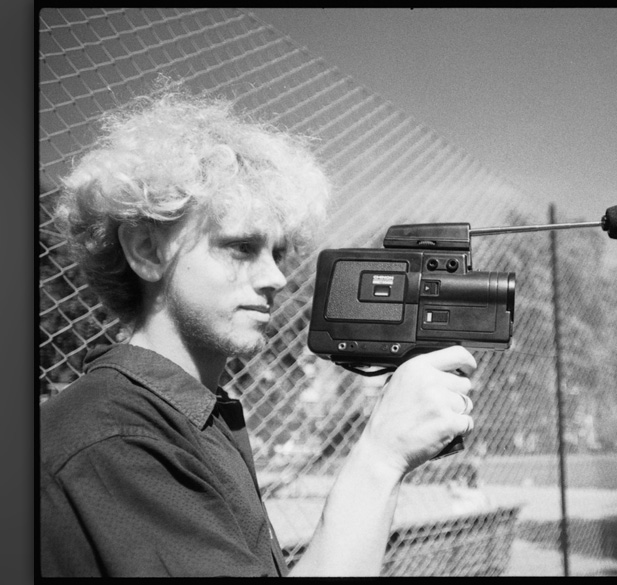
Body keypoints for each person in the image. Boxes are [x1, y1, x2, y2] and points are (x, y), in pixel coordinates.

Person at [39, 84, 477, 577]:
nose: (276, 278)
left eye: (278, 252)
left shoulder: (186, 416)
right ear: (146, 250)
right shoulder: (117, 439)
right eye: (241, 247)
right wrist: (381, 455)